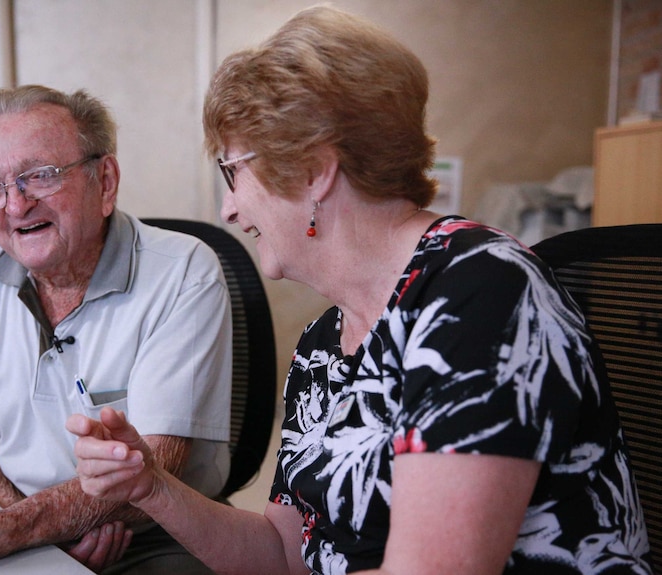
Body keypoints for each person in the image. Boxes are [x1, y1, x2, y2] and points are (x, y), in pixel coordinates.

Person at [66, 6, 653, 575]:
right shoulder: (323, 343)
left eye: (233, 171)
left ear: (316, 169)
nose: (229, 206)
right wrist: (151, 486)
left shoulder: (483, 292)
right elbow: (283, 553)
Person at [0, 84, 232, 574]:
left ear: (106, 181)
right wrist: (34, 542)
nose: (15, 205)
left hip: (157, 534)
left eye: (40, 177)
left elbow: (157, 468)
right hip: (13, 522)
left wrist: (11, 533)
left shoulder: (183, 271)